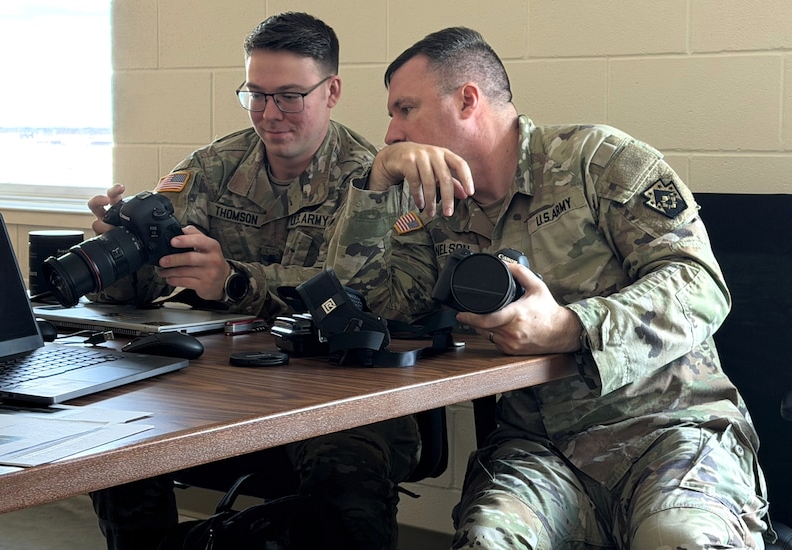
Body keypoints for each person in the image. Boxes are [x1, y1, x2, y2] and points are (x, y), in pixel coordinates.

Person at [326, 27, 774, 549]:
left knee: (681, 539)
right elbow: (366, 308)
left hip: (668, 431)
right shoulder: (429, 209)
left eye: (405, 110)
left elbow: (700, 286)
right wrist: (375, 186)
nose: (391, 134)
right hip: (541, 451)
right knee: (489, 542)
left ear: (467, 99)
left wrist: (570, 326)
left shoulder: (597, 162)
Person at [87, 12, 419, 550]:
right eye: (255, 95)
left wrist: (234, 282)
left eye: (289, 96)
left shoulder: (372, 181)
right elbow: (140, 285)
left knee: (345, 478)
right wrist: (116, 248)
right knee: (119, 448)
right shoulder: (214, 167)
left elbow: (361, 297)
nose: (270, 114)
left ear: (331, 91)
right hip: (225, 384)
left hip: (340, 390)